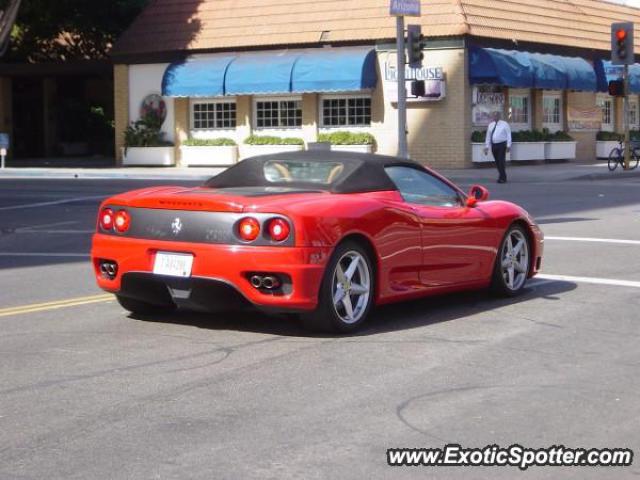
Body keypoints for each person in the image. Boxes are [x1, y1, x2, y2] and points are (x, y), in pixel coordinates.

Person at [484, 112, 512, 183]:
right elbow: (488, 136)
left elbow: (509, 135)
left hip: (502, 145)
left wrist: (508, 145)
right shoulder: (491, 125)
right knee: (497, 161)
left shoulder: (504, 124)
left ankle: (502, 178)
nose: (495, 117)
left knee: (501, 161)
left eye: (496, 116)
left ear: (499, 116)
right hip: (494, 145)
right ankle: (501, 175)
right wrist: (487, 146)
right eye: (494, 116)